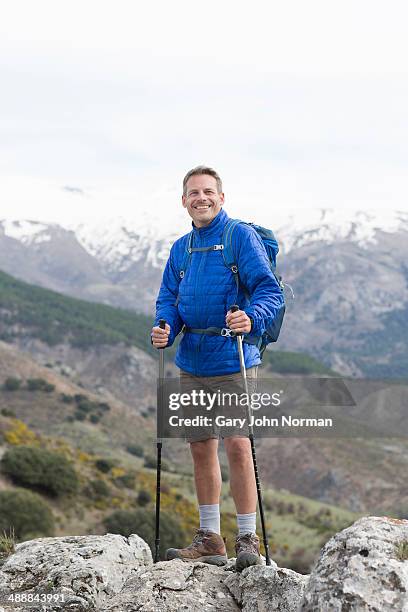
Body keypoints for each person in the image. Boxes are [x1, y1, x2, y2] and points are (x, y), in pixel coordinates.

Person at [151, 165, 284, 570]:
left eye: (208, 191)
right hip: (191, 358)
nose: (201, 198)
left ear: (221, 198)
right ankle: (210, 538)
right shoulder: (181, 248)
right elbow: (168, 300)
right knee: (200, 446)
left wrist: (252, 318)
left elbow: (269, 290)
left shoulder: (238, 236)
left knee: (238, 445)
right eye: (193, 193)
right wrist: (164, 327)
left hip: (234, 357)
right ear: (184, 201)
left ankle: (248, 539)